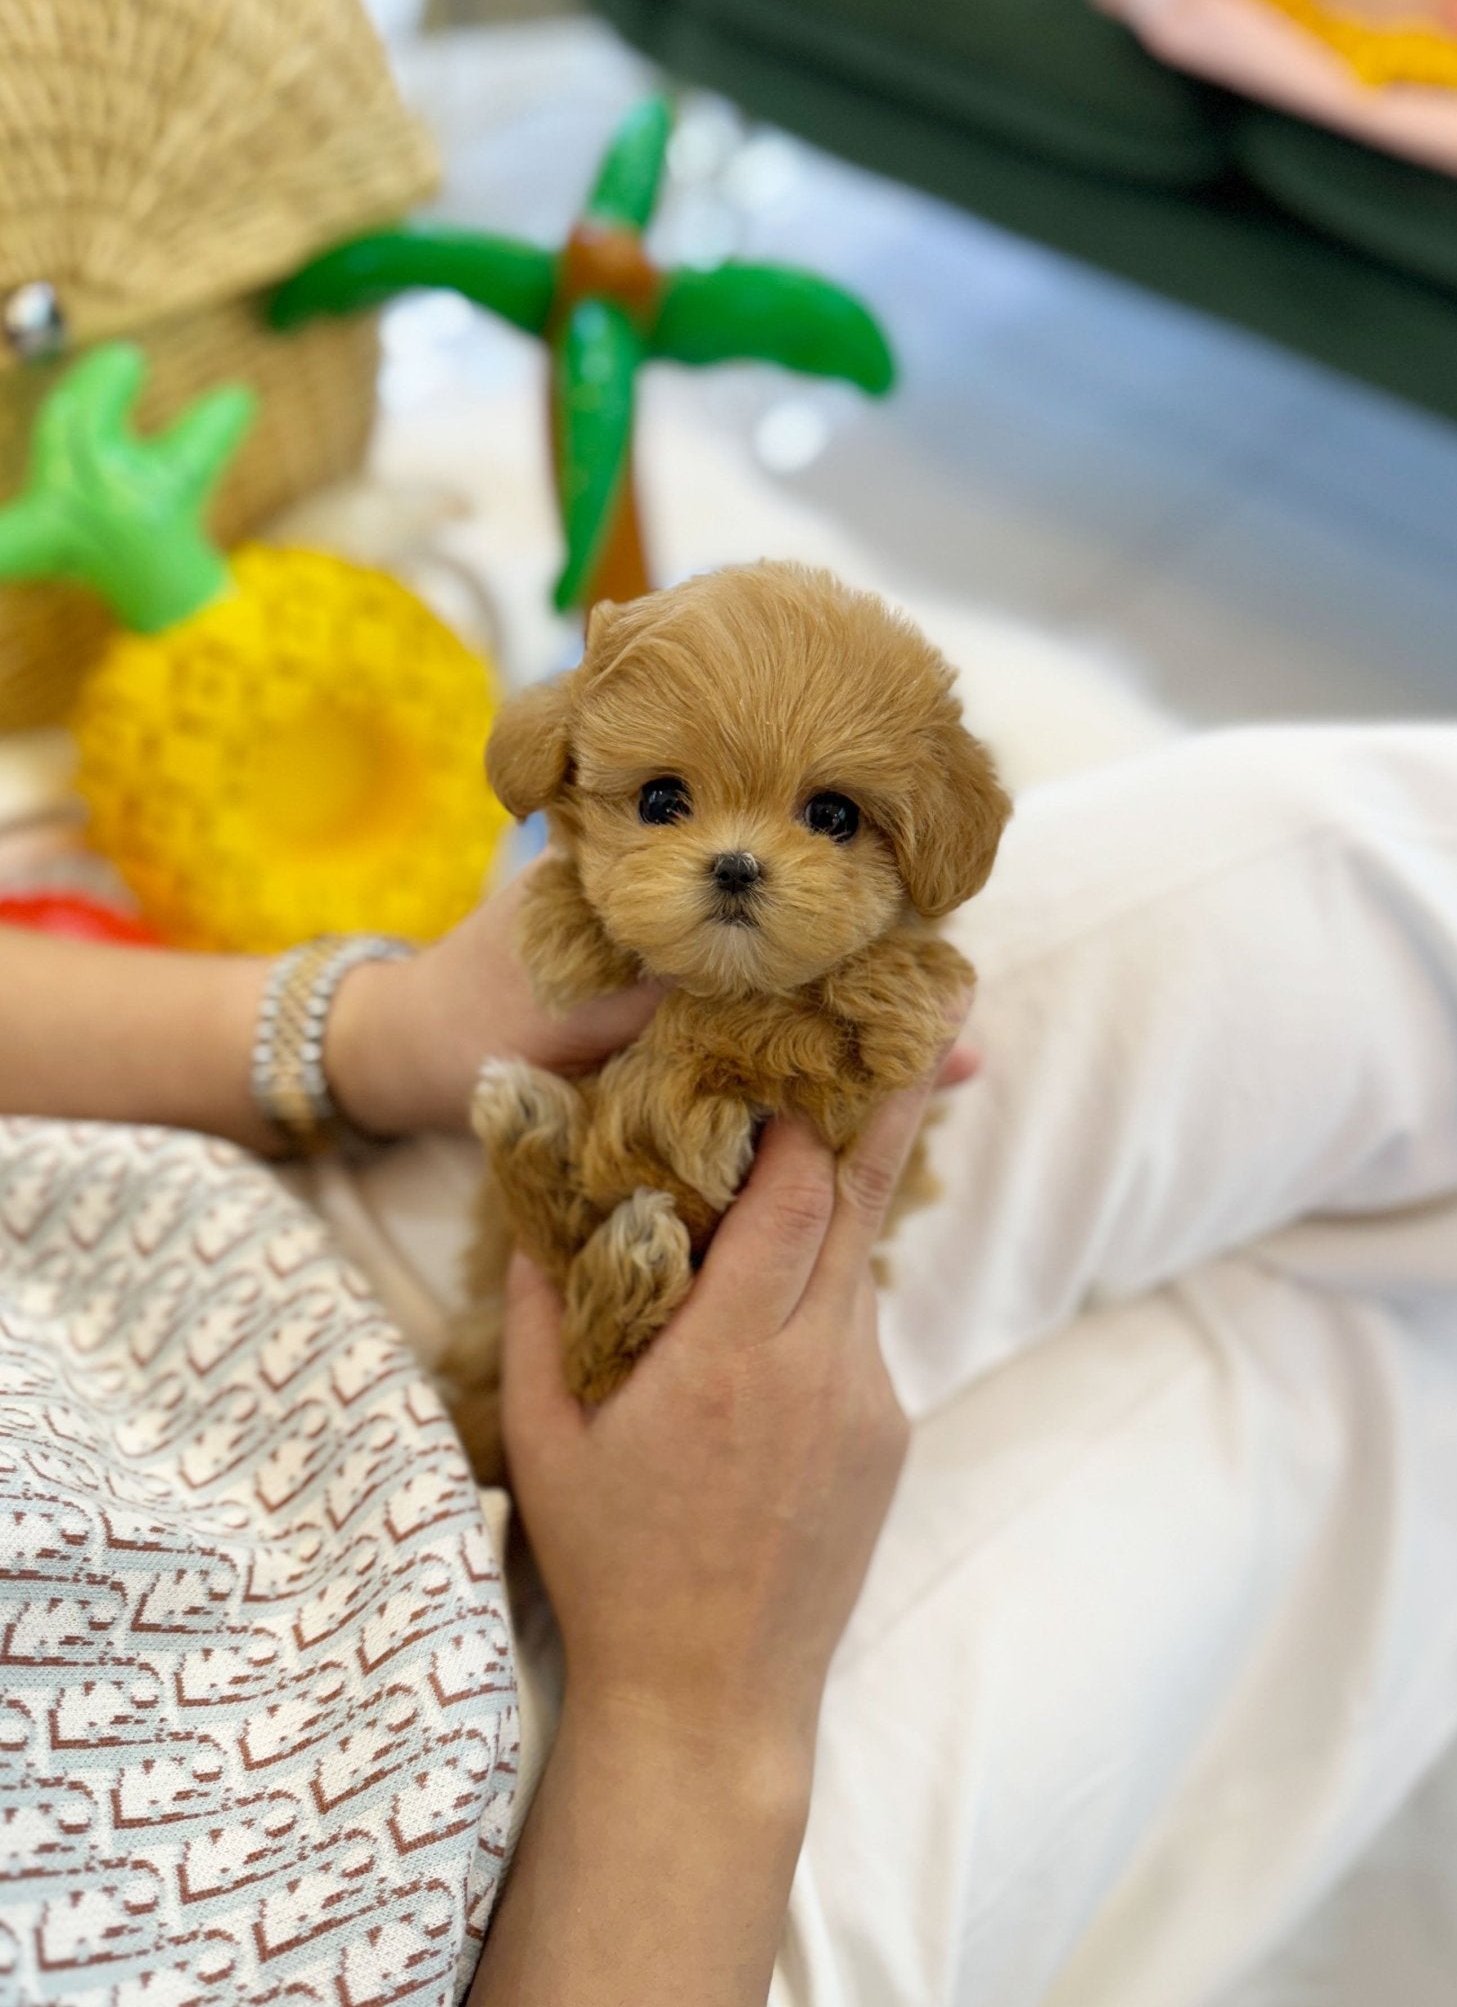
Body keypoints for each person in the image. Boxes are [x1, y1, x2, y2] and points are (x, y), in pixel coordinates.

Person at [1, 721, 1455, 2007]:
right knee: (1349, 1404)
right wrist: (692, 1711)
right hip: (544, 1874)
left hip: (199, 1244)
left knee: (1362, 865)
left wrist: (362, 1034)